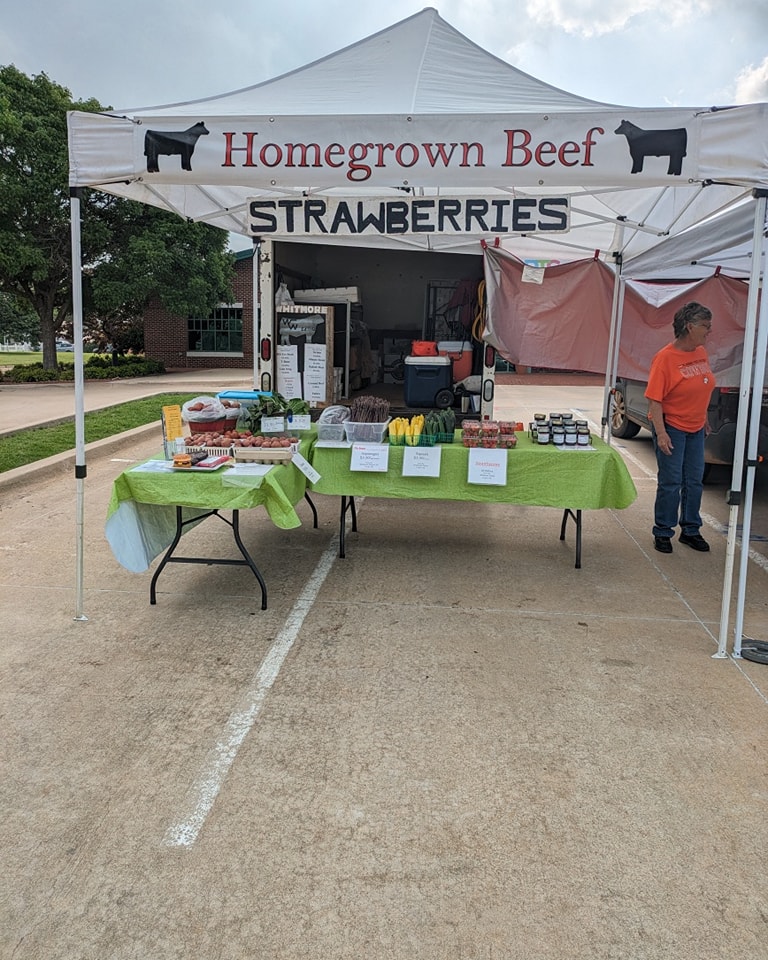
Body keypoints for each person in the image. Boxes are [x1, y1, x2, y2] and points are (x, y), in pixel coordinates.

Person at [645, 301, 716, 554]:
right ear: (689, 326)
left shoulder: (700, 352)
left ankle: (690, 529)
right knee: (671, 481)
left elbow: (702, 384)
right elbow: (655, 399)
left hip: (696, 427)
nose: (709, 331)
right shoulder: (665, 358)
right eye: (705, 326)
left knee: (694, 480)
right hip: (672, 426)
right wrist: (662, 433)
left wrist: (703, 414)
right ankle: (663, 531)